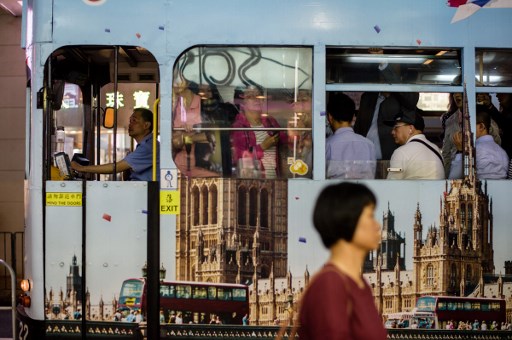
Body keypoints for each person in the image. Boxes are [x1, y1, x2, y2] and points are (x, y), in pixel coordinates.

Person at [297, 182, 387, 340]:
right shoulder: (330, 284)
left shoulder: (362, 284)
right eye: (370, 216)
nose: (377, 225)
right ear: (348, 222)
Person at [71, 108, 159, 181]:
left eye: (134, 121)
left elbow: (115, 168)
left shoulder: (149, 147)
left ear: (146, 125)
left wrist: (81, 168)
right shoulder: (145, 145)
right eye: (130, 121)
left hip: (147, 196)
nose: (130, 124)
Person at [354, 64, 419, 162]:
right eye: (384, 74)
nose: (386, 77)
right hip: (364, 159)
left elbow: (410, 99)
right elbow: (358, 128)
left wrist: (384, 66)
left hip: (390, 160)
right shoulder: (368, 97)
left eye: (391, 73)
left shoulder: (405, 98)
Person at [231, 90, 287, 179]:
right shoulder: (239, 127)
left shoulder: (270, 121)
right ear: (242, 104)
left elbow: (286, 142)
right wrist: (262, 147)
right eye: (250, 96)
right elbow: (238, 159)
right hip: (255, 182)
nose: (256, 99)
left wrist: (293, 132)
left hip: (275, 178)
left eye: (258, 96)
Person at [172, 78, 219, 177]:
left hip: (197, 163)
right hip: (176, 164)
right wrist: (188, 137)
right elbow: (176, 142)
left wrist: (186, 137)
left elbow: (208, 136)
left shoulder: (201, 102)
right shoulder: (173, 104)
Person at [326, 92, 376, 179]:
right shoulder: (369, 144)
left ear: (330, 117)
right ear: (353, 117)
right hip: (363, 191)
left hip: (335, 191)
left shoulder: (326, 145)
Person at [386, 109, 444, 179]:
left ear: (411, 128)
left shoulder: (401, 152)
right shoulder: (436, 149)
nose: (392, 132)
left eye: (396, 127)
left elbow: (391, 185)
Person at [449, 110, 509, 179]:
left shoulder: (473, 151)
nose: (463, 130)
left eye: (466, 126)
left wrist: (459, 151)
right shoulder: (503, 153)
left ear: (481, 126)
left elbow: (453, 179)